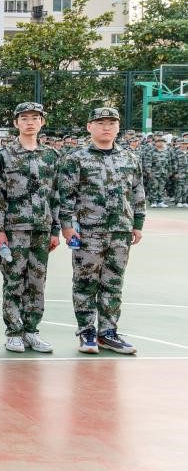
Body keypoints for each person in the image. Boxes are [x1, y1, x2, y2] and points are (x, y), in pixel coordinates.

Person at [57, 107, 145, 355]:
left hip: (120, 231)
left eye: (111, 123)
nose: (106, 127)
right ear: (89, 127)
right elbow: (66, 196)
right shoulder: (76, 158)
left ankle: (108, 333)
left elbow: (137, 193)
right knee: (85, 283)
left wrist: (138, 224)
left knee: (113, 283)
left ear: (118, 127)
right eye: (100, 123)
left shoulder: (130, 158)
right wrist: (67, 226)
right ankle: (87, 332)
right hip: (88, 232)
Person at [0, 102, 60, 354]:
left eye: (35, 118)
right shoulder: (3, 155)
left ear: (42, 122)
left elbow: (56, 195)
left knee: (37, 282)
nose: (29, 122)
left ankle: (31, 330)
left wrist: (55, 230)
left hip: (42, 229)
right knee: (13, 280)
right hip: (14, 229)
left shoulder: (52, 156)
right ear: (16, 123)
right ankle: (13, 332)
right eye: (24, 118)